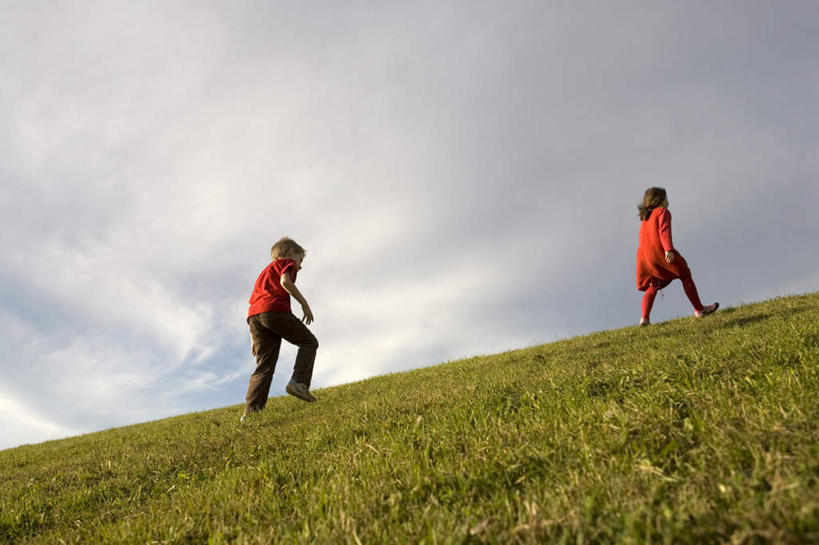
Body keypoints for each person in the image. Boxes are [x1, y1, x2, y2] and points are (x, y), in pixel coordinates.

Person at [242, 237, 318, 421]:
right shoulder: (286, 263)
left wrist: (253, 338)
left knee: (264, 366)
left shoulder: (264, 273)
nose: (300, 266)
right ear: (291, 253)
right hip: (274, 311)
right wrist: (304, 304)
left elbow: (253, 305)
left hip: (255, 319)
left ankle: (251, 414)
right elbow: (285, 281)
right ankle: (299, 382)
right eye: (300, 260)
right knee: (309, 342)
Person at [636, 187, 718, 326]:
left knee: (654, 283)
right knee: (684, 273)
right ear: (660, 200)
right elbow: (664, 231)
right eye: (666, 198)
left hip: (645, 257)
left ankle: (644, 318)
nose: (668, 202)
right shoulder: (662, 212)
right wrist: (668, 249)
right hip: (660, 251)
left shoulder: (645, 218)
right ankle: (699, 309)